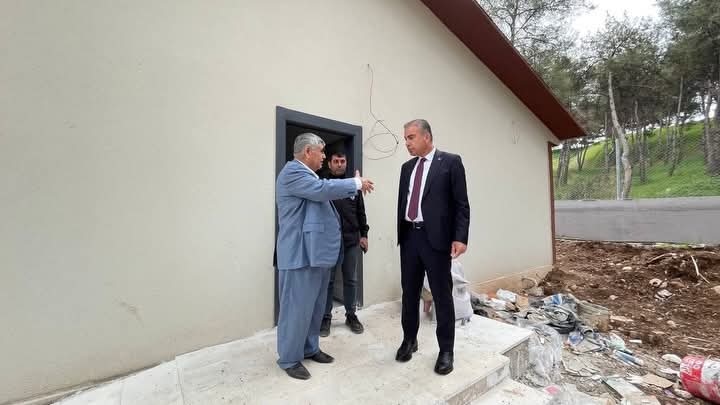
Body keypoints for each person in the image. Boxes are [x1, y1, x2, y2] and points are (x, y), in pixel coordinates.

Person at [275, 133, 374, 380]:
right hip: (298, 255)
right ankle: (289, 358)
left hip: (314, 255)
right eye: (321, 152)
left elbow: (324, 191)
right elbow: (322, 190)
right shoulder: (293, 173)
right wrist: (355, 183)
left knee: (315, 307)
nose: (324, 157)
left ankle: (310, 348)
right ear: (308, 151)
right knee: (296, 310)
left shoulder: (309, 175)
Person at [395, 119, 470, 375]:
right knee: (409, 293)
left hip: (435, 240)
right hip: (409, 238)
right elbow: (404, 202)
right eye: (406, 138)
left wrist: (460, 237)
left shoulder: (450, 162)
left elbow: (461, 204)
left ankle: (446, 350)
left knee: (442, 295)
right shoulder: (407, 168)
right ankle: (409, 340)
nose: (407, 143)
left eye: (411, 137)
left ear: (426, 137)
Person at [319, 151, 369, 336]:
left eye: (342, 161)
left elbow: (360, 212)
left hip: (351, 241)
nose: (339, 164)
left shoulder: (353, 186)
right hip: (329, 243)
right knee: (328, 281)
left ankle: (351, 315)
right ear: (329, 164)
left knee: (351, 280)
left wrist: (364, 235)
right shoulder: (323, 185)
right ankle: (325, 317)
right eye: (336, 161)